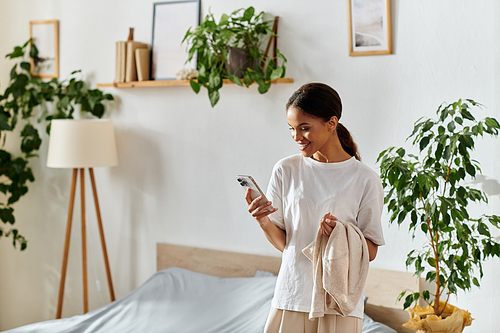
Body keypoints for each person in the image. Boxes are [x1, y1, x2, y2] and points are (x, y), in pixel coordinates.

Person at [244, 82, 385, 333]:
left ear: (331, 123)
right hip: (292, 294)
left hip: (339, 303)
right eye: (291, 129)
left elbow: (371, 251)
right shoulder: (285, 170)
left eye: (304, 128)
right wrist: (263, 220)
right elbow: (285, 245)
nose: (296, 137)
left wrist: (339, 234)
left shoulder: (365, 179)